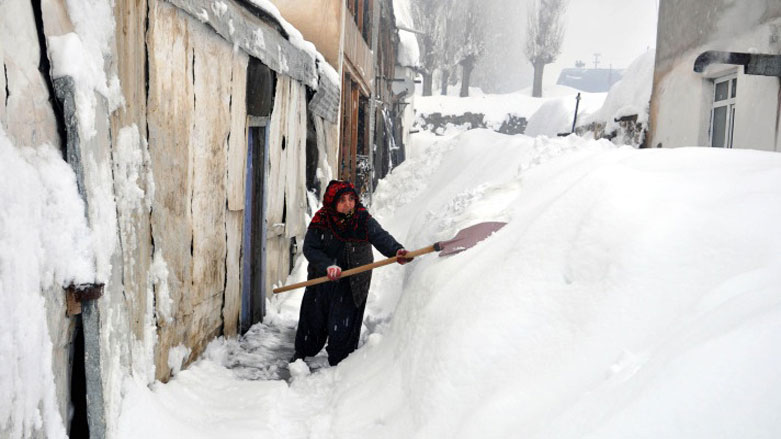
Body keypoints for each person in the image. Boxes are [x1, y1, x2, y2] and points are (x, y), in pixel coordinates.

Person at [291, 180, 412, 366]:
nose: (348, 204)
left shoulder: (361, 219)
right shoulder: (322, 220)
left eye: (351, 199)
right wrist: (327, 265)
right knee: (314, 317)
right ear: (332, 203)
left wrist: (396, 251)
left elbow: (380, 236)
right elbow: (310, 248)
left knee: (343, 324)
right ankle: (302, 352)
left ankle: (341, 364)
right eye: (342, 200)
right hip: (322, 278)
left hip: (352, 281)